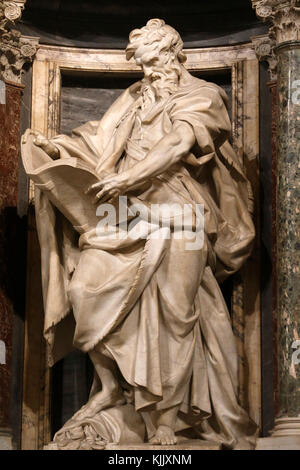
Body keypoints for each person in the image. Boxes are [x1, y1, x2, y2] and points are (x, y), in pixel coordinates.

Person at [22, 19, 257, 448]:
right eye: (143, 66)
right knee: (85, 291)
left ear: (173, 55)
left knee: (175, 317)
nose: (148, 73)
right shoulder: (135, 97)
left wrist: (127, 179)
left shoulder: (205, 96)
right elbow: (99, 141)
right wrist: (59, 149)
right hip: (124, 217)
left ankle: (166, 419)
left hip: (181, 217)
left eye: (154, 63)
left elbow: (177, 144)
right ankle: (113, 387)